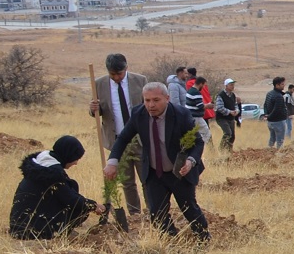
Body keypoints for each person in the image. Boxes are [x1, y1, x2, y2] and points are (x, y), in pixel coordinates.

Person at [105, 82, 210, 242]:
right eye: (147, 100)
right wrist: (112, 162)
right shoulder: (138, 114)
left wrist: (190, 161)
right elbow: (123, 138)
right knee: (156, 212)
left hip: (180, 171)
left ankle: (203, 238)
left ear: (167, 98)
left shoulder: (181, 114)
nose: (151, 105)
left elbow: (198, 142)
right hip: (155, 172)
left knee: (188, 208)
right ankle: (173, 242)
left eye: (156, 100)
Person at [10, 136, 104, 239]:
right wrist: (93, 206)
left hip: (19, 224)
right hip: (31, 230)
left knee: (72, 185)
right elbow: (70, 199)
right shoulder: (52, 173)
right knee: (79, 208)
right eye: (75, 158)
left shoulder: (42, 164)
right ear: (68, 155)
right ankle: (56, 232)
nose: (76, 163)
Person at [89, 53, 146, 217]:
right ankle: (135, 215)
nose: (116, 78)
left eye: (119, 74)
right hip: (117, 142)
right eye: (112, 74)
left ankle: (152, 212)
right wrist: (93, 109)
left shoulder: (140, 81)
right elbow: (97, 112)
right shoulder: (98, 84)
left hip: (140, 140)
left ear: (126, 68)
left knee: (147, 180)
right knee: (127, 182)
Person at [213, 79, 241, 150]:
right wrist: (229, 112)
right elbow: (219, 107)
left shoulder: (233, 95)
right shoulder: (220, 95)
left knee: (232, 136)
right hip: (222, 118)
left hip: (230, 118)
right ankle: (221, 149)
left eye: (233, 85)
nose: (232, 86)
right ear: (226, 86)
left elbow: (235, 105)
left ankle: (229, 151)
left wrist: (236, 111)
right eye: (231, 85)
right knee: (227, 133)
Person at [263, 77, 288, 149]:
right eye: (282, 84)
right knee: (280, 140)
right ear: (277, 85)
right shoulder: (278, 96)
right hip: (278, 121)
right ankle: (279, 155)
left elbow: (265, 105)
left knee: (272, 139)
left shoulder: (269, 93)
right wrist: (269, 116)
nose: (284, 85)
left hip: (271, 121)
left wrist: (266, 115)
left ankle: (269, 152)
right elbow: (277, 110)